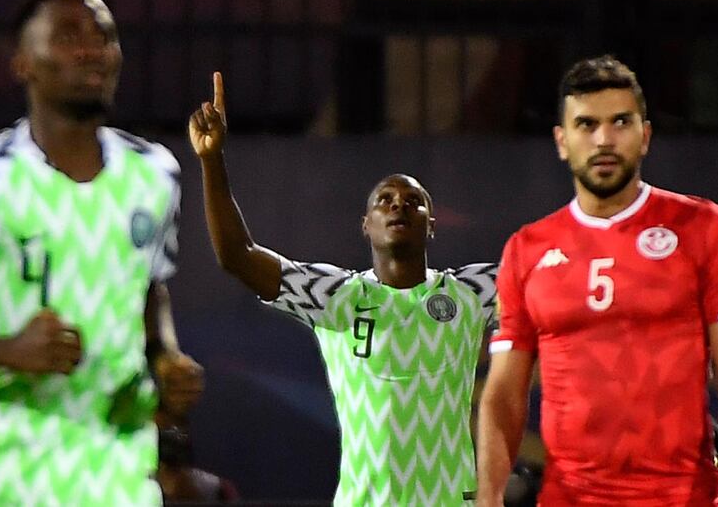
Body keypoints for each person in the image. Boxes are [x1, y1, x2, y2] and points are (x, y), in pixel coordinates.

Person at [188, 71, 498, 505]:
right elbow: (238, 255)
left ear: (431, 226)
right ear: (366, 226)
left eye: (414, 203)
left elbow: (557, 272)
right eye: (385, 202)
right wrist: (211, 161)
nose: (398, 207)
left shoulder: (473, 292)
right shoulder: (334, 296)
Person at [476, 54, 718, 506]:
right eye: (587, 125)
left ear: (645, 136)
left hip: (683, 498)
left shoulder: (703, 228)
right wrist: (488, 498)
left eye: (621, 122)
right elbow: (503, 396)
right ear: (561, 141)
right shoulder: (526, 249)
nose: (604, 139)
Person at [0, 0, 203, 505]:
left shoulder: (154, 175)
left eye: (104, 35)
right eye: (67, 36)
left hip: (118, 471)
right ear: (23, 63)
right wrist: (3, 349)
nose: (91, 49)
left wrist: (166, 355)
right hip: (1, 473)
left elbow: (150, 285)